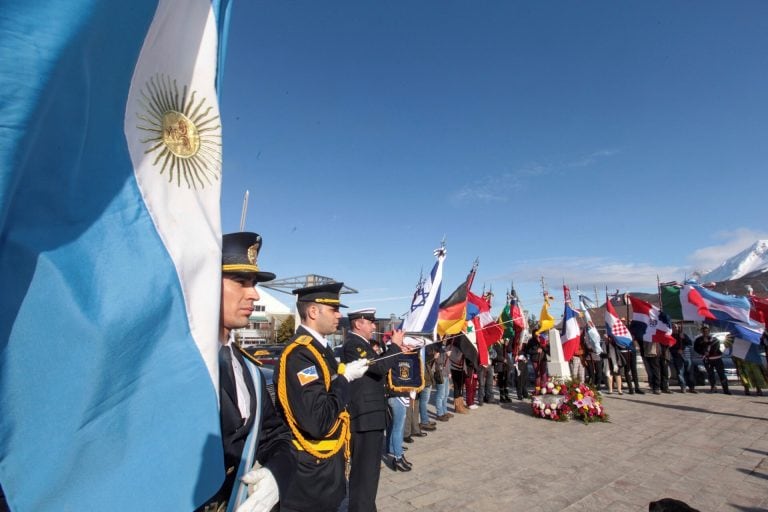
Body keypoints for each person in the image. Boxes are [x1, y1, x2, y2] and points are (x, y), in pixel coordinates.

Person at [199, 232, 296, 512]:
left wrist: (277, 474)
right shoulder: (176, 367)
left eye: (253, 284)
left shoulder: (248, 369)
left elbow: (275, 434)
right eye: (241, 282)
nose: (254, 294)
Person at [274, 282, 370, 512]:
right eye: (333, 309)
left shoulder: (320, 350)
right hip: (311, 473)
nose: (339, 315)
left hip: (327, 467)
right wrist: (345, 380)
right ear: (313, 312)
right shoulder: (301, 354)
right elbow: (318, 420)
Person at [341, 308, 406, 512]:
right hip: (365, 416)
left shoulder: (363, 344)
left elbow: (377, 366)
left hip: (371, 415)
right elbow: (377, 367)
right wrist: (394, 346)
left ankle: (367, 507)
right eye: (370, 322)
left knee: (369, 473)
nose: (373, 327)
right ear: (358, 323)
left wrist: (395, 350)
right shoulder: (354, 344)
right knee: (364, 472)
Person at [694, 325, 731, 394]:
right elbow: (696, 348)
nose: (705, 332)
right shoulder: (698, 340)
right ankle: (713, 387)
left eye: (706, 331)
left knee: (721, 374)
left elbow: (716, 348)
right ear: (701, 332)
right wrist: (703, 352)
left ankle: (726, 389)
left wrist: (707, 343)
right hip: (707, 360)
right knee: (710, 374)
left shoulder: (714, 339)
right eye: (704, 331)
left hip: (717, 359)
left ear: (709, 331)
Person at [670, 323, 696, 393]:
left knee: (689, 372)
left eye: (675, 327)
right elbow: (670, 348)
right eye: (673, 327)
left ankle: (692, 387)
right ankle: (683, 386)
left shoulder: (683, 335)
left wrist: (684, 338)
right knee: (680, 373)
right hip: (677, 357)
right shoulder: (670, 336)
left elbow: (690, 343)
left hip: (687, 356)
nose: (674, 328)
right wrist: (676, 351)